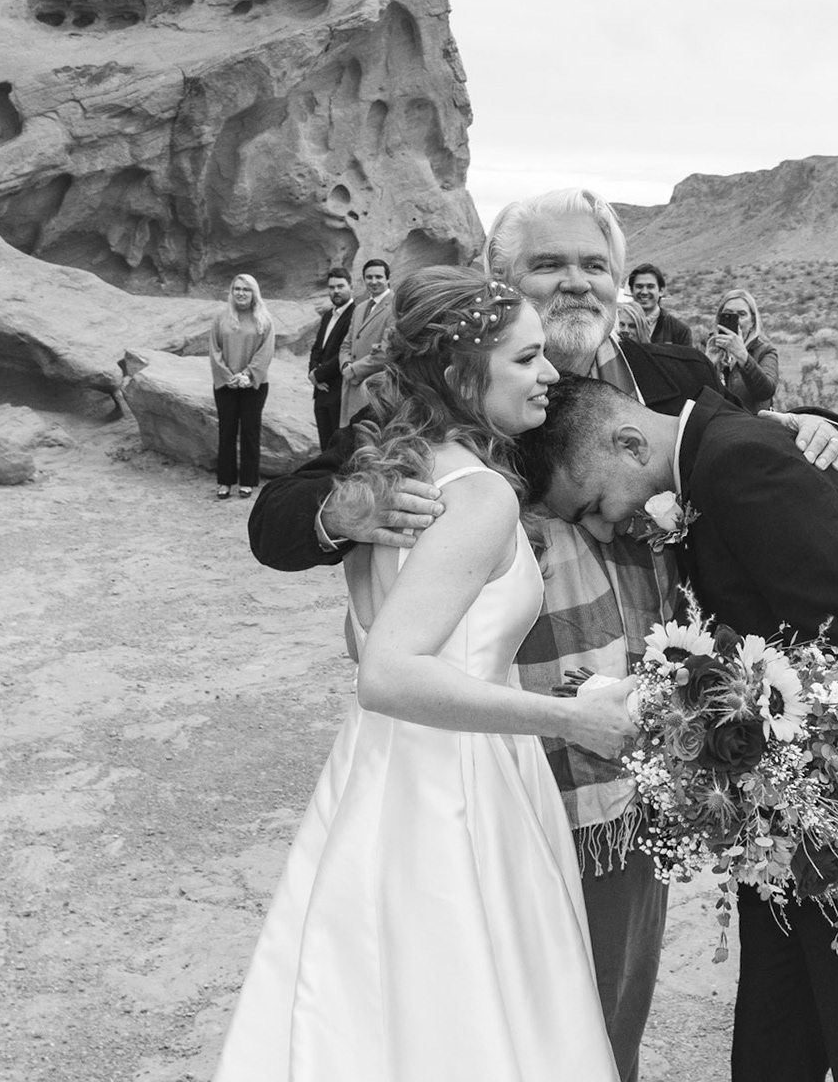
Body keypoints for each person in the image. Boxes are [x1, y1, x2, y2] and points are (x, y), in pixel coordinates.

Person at [245, 188, 838, 1082]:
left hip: (630, 763)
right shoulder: (458, 410)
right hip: (499, 748)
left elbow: (740, 452)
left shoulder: (670, 376)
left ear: (620, 280)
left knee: (599, 1009)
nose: (577, 282)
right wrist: (342, 511)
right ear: (502, 284)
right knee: (481, 1008)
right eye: (549, 264)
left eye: (594, 264)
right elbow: (278, 521)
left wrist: (815, 429)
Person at [213, 267, 633, 1081]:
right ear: (461, 374)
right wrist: (571, 718)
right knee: (467, 1008)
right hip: (459, 781)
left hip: (381, 766)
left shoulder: (389, 471)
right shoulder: (477, 494)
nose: (549, 373)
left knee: (378, 1007)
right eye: (526, 358)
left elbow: (362, 637)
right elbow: (386, 672)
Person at [522, 375, 838, 1082]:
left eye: (592, 506)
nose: (603, 527)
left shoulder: (738, 460)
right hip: (792, 806)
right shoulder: (720, 452)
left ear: (629, 443)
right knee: (778, 1025)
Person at [209, 274, 276, 500]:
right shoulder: (221, 318)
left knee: (250, 432)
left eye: (246, 289)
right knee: (226, 431)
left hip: (254, 385)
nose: (241, 293)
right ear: (231, 292)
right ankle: (225, 481)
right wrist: (228, 376)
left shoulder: (264, 319)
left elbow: (266, 351)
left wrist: (248, 374)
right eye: (237, 289)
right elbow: (214, 350)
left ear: (254, 293)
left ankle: (247, 481)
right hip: (225, 384)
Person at [339, 258, 395, 427]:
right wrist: (346, 365)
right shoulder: (360, 308)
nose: (373, 281)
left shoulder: (395, 307)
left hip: (374, 390)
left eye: (378, 277)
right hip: (351, 386)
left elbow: (387, 352)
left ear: (388, 279)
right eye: (369, 277)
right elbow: (346, 344)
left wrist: (354, 370)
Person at [703, 288, 779, 411]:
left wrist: (743, 357)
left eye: (742, 314)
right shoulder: (708, 346)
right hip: (717, 421)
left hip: (752, 421)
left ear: (752, 321)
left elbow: (766, 392)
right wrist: (707, 363)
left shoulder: (765, 351)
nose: (736, 320)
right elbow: (691, 393)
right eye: (728, 314)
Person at [307, 266, 356, 450]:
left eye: (341, 286)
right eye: (332, 287)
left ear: (351, 287)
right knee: (324, 447)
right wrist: (313, 373)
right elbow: (317, 348)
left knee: (338, 449)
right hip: (321, 391)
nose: (336, 291)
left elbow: (345, 351)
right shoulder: (328, 315)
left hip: (339, 390)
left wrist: (318, 374)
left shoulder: (355, 314)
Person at [627, 263, 694, 346]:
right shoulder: (618, 326)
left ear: (661, 291)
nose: (644, 292)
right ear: (631, 290)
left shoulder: (680, 331)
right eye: (639, 286)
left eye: (650, 286)